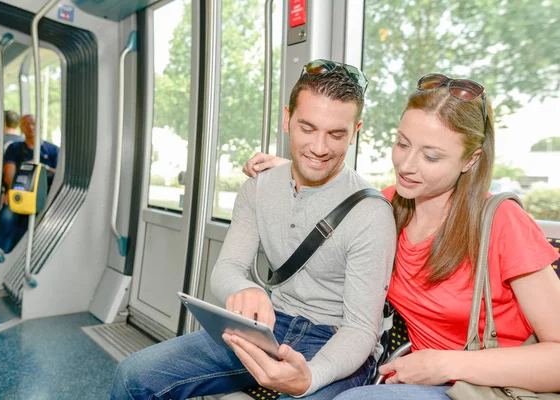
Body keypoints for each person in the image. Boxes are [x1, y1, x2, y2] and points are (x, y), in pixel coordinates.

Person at [243, 73, 560, 399]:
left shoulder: (502, 222)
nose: (406, 165)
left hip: (490, 386)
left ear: (470, 160)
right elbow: (340, 196)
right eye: (402, 144)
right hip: (426, 379)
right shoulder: (388, 208)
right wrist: (293, 168)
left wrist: (445, 364)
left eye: (431, 156)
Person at [111, 60, 397, 400]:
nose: (320, 148)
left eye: (336, 134)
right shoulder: (258, 188)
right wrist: (247, 289)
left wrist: (310, 377)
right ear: (287, 119)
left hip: (335, 342)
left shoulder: (371, 213)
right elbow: (227, 269)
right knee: (133, 376)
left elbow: (361, 329)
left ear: (355, 131)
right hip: (270, 327)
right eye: (307, 128)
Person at [0, 114, 59, 253]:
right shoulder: (14, 148)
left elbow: (60, 174)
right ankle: (0, 251)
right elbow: (9, 173)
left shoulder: (53, 150)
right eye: (26, 124)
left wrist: (44, 168)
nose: (30, 127)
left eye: (34, 124)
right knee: (7, 216)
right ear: (21, 128)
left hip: (45, 195)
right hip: (20, 192)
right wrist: (12, 190)